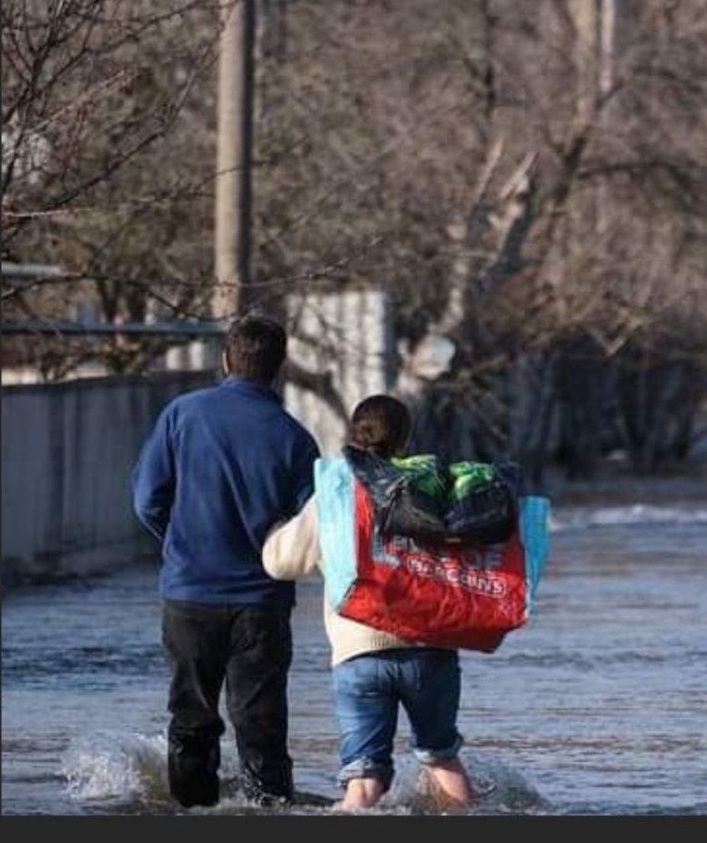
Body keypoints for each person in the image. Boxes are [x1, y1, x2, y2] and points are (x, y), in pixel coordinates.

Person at [129, 314, 320, 808]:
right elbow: (312, 527)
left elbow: (148, 498)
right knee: (261, 726)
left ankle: (192, 811)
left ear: (225, 361)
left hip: (189, 593)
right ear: (279, 369)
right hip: (262, 603)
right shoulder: (296, 438)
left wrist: (178, 545)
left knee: (190, 721)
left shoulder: (182, 414)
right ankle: (269, 811)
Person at [263, 395, 475, 812]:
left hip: (359, 652)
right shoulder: (430, 486)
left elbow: (280, 562)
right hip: (429, 650)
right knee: (442, 759)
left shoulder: (338, 490)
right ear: (404, 438)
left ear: (355, 434)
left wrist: (278, 529)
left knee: (364, 782)